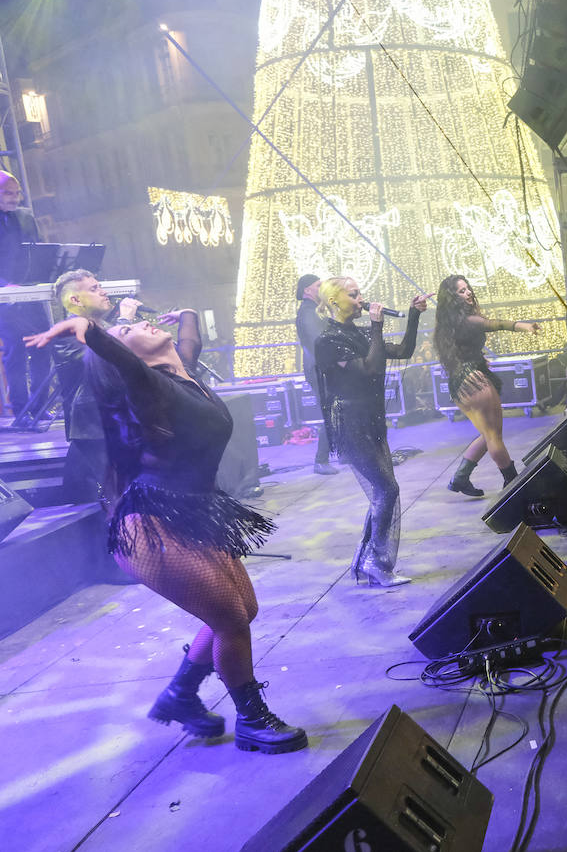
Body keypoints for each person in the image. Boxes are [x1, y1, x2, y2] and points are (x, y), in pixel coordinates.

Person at [23, 308, 306, 754]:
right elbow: (129, 365)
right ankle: (253, 720)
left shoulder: (181, 374)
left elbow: (188, 342)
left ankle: (181, 695)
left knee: (242, 610)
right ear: (123, 355)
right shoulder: (148, 388)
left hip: (192, 513)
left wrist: (189, 314)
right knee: (230, 618)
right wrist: (93, 332)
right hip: (150, 525)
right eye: (129, 331)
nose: (142, 325)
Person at [315, 277, 428, 586]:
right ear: (335, 301)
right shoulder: (328, 340)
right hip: (349, 423)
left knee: (383, 491)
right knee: (387, 489)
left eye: (360, 293)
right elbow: (370, 369)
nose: (361, 299)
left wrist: (413, 313)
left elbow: (403, 350)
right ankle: (375, 562)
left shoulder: (360, 332)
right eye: (354, 295)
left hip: (370, 421)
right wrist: (377, 326)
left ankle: (370, 561)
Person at [433, 274, 540, 497]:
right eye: (461, 291)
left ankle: (460, 478)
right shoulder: (468, 321)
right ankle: (513, 483)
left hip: (460, 384)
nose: (468, 292)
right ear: (453, 299)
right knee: (493, 436)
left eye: (467, 288)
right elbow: (495, 324)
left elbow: (462, 351)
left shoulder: (448, 324)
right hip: (475, 381)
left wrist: (478, 359)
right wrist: (523, 326)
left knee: (486, 433)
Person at [51, 270, 142, 501]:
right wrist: (124, 322)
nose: (104, 292)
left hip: (116, 422)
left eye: (100, 286)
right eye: (94, 289)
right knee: (118, 497)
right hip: (93, 428)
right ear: (75, 300)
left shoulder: (105, 327)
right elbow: (103, 359)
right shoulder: (69, 332)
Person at [0, 170, 52, 426]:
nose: (14, 198)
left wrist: (43, 275)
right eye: (8, 193)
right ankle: (21, 411)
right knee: (15, 352)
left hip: (30, 292)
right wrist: (5, 285)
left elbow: (38, 250)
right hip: (5, 298)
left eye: (17, 192)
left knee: (44, 345)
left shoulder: (26, 216)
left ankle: (40, 406)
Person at [294, 274, 337, 475]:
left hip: (322, 367)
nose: (322, 288)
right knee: (331, 413)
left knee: (337, 411)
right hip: (319, 369)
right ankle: (321, 460)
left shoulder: (315, 310)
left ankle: (342, 453)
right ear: (307, 290)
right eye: (318, 285)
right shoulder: (307, 312)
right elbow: (317, 341)